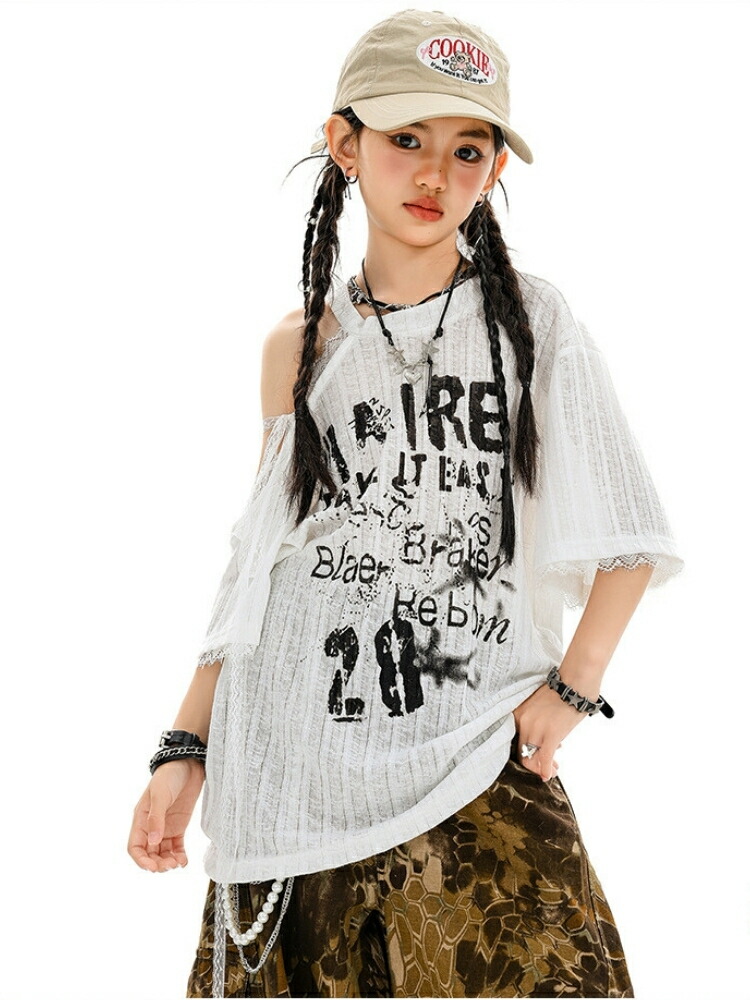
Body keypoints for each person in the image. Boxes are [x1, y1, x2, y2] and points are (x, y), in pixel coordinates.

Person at [127, 9, 684, 998]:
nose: (434, 174)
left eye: (467, 149)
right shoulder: (298, 347)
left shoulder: (531, 324)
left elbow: (629, 534)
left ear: (494, 169)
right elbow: (260, 561)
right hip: (292, 782)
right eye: (406, 139)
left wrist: (573, 688)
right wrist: (185, 746)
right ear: (343, 145)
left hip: (469, 759)